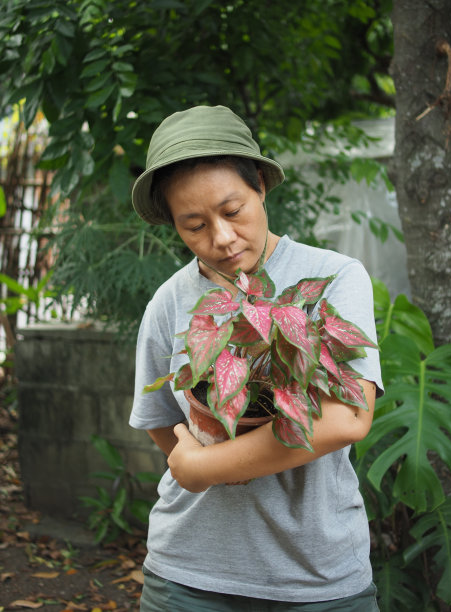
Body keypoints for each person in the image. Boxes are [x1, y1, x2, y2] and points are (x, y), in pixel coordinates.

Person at [130, 105, 383, 611]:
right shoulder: (169, 301)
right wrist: (201, 459)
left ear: (261, 186)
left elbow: (346, 420)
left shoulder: (334, 276)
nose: (220, 239)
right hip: (186, 576)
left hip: (317, 579)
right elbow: (161, 423)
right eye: (194, 225)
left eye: (232, 211)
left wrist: (207, 467)